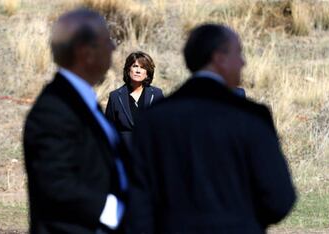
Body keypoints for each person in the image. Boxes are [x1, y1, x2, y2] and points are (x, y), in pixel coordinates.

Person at [126, 24, 297, 234]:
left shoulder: (153, 118)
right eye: (239, 53)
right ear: (219, 57)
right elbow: (279, 199)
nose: (243, 62)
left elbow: (138, 201)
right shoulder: (251, 116)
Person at [23, 9, 127, 234]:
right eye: (107, 40)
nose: (113, 47)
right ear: (85, 52)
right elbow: (55, 183)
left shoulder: (81, 102)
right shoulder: (53, 110)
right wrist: (118, 213)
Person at [105, 51, 163, 148]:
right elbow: (109, 130)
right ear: (128, 70)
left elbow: (163, 127)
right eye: (135, 66)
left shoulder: (157, 94)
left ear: (147, 73)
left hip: (149, 154)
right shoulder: (115, 96)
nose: (138, 71)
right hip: (124, 155)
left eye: (143, 67)